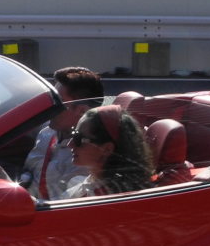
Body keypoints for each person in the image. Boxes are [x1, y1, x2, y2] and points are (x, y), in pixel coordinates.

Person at [20, 66, 105, 199]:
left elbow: (59, 207)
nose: (50, 107)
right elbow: (30, 172)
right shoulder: (47, 132)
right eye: (51, 99)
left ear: (81, 110)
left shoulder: (84, 157)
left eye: (57, 102)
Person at [64, 104, 152, 198]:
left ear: (106, 149)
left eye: (78, 138)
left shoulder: (101, 198)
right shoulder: (95, 182)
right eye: (73, 134)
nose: (69, 144)